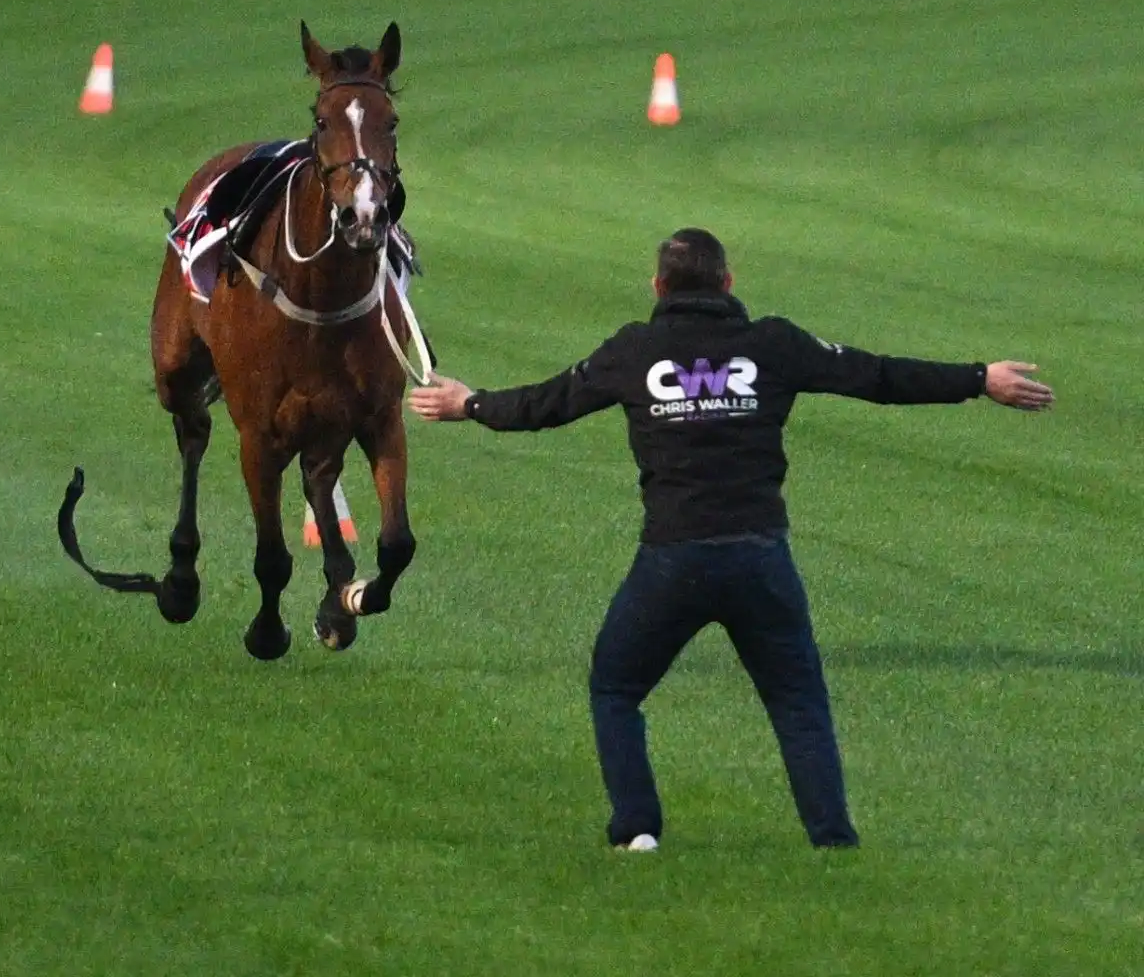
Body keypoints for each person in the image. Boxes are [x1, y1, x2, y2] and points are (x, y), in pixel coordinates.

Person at [407, 228, 1053, 851]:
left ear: (657, 286)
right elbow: (876, 376)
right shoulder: (771, 344)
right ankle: (832, 840)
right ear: (729, 282)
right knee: (798, 699)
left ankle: (636, 829)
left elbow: (547, 404)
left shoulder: (633, 351)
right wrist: (978, 378)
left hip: (672, 561)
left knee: (616, 687)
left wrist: (470, 404)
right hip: (760, 558)